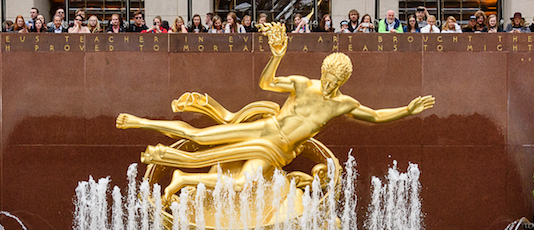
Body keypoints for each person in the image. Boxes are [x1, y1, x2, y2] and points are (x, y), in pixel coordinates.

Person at [116, 22, 434, 201]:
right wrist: (277, 56)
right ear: (322, 72)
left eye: (334, 82)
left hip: (278, 151)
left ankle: (183, 178)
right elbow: (266, 82)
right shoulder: (302, 84)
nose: (328, 84)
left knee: (241, 184)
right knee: (200, 137)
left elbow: (375, 116)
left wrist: (407, 110)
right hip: (266, 129)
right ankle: (138, 122)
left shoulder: (343, 104)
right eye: (326, 77)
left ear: (343, 82)